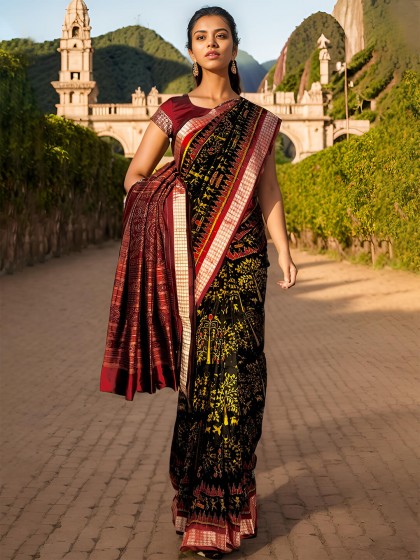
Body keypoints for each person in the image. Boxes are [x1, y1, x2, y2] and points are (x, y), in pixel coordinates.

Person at [100, 6, 297, 559]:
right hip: (191, 265)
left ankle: (233, 497)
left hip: (243, 264)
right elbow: (134, 176)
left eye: (221, 35)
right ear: (191, 51)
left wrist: (283, 250)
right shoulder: (173, 112)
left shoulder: (256, 122)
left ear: (235, 47)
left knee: (244, 381)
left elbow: (267, 191)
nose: (211, 44)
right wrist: (172, 198)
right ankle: (204, 510)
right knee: (205, 382)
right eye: (201, 37)